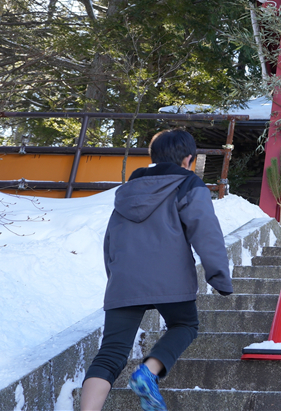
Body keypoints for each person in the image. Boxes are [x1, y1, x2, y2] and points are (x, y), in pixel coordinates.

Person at [81, 129, 233, 411]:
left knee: (111, 353)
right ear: (188, 159)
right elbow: (205, 231)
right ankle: (148, 373)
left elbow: (111, 241)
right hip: (170, 279)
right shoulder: (188, 184)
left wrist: (116, 279)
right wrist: (219, 277)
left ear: (153, 157)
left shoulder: (127, 191)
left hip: (125, 282)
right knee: (184, 325)